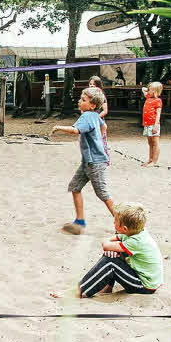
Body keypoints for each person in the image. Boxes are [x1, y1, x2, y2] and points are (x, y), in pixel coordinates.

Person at [52, 86, 116, 234]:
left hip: (95, 163)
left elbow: (75, 130)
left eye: (83, 100)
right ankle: (80, 221)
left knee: (103, 194)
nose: (79, 102)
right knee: (75, 187)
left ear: (92, 105)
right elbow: (104, 127)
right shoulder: (96, 116)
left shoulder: (87, 116)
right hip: (87, 162)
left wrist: (58, 127)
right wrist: (98, 140)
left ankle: (122, 223)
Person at [76, 202, 163, 298]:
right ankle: (107, 287)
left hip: (145, 287)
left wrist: (108, 244)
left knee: (111, 262)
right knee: (112, 253)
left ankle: (79, 291)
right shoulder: (136, 232)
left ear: (125, 228)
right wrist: (110, 247)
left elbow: (106, 245)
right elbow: (113, 241)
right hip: (145, 279)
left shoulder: (135, 241)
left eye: (115, 221)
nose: (113, 222)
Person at [88, 76, 110, 165]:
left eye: (94, 84)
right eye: (90, 84)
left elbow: (105, 111)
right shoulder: (87, 96)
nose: (92, 86)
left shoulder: (102, 96)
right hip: (89, 122)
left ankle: (105, 160)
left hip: (99, 122)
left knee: (101, 140)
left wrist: (96, 118)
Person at [141, 82, 163, 167]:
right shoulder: (148, 97)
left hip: (153, 124)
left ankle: (154, 161)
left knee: (155, 142)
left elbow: (158, 114)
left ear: (155, 91)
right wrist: (148, 89)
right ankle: (150, 159)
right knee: (150, 143)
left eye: (150, 90)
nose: (148, 91)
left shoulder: (158, 101)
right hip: (146, 124)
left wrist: (156, 125)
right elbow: (143, 89)